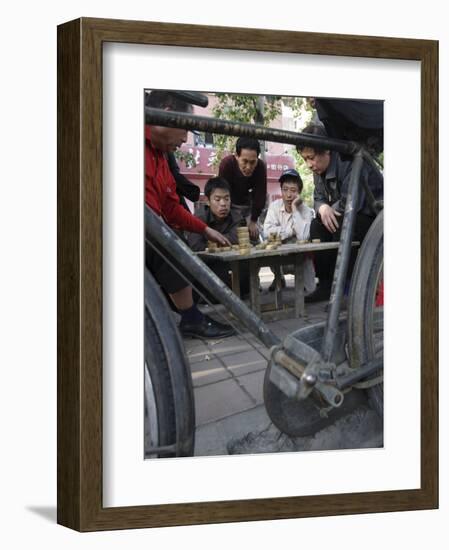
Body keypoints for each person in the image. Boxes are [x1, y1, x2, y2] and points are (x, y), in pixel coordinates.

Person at [145, 90, 235, 338]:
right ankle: (187, 317)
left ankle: (189, 316)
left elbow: (171, 207)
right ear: (166, 115)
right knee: (162, 239)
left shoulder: (161, 157)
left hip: (151, 229)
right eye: (185, 129)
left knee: (170, 239)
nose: (185, 139)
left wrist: (205, 229)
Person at [297, 123, 383, 302]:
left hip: (371, 217)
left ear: (327, 151)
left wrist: (330, 209)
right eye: (305, 159)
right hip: (343, 213)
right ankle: (326, 285)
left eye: (311, 158)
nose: (309, 165)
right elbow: (318, 197)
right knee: (316, 226)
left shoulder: (349, 161)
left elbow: (352, 203)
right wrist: (322, 207)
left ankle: (348, 289)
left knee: (343, 226)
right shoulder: (318, 169)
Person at [188, 177, 250, 298]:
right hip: (209, 267)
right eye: (217, 199)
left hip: (232, 266)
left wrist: (210, 243)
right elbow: (196, 247)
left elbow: (238, 240)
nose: (223, 204)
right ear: (207, 201)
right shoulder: (198, 218)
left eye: (227, 199)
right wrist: (225, 244)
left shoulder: (237, 217)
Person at [263, 168, 316, 293]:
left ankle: (303, 280)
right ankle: (278, 277)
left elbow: (303, 237)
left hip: (301, 260)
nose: (288, 195)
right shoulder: (274, 206)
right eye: (285, 189)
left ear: (299, 192)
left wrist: (294, 209)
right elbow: (266, 232)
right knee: (270, 249)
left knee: (310, 291)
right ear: (281, 190)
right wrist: (290, 231)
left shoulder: (307, 211)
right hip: (279, 259)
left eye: (293, 190)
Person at [218, 136, 267, 240]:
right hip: (230, 205)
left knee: (253, 236)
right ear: (236, 156)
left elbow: (260, 195)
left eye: (252, 162)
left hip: (248, 207)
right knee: (232, 236)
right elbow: (222, 193)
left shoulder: (261, 167)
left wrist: (253, 221)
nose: (248, 167)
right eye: (244, 161)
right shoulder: (227, 164)